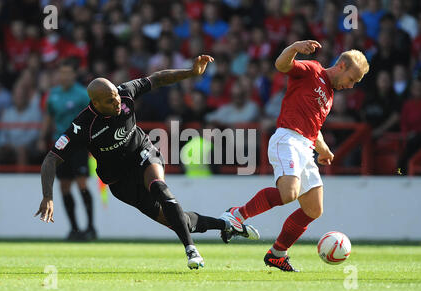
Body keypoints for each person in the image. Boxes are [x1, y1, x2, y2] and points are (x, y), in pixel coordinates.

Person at [34, 55, 260, 270]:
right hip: (120, 182)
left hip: (142, 153)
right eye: (110, 100)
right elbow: (51, 159)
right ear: (95, 103)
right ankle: (227, 223)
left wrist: (191, 72)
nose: (117, 102)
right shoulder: (83, 126)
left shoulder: (125, 93)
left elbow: (158, 78)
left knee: (159, 186)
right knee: (181, 221)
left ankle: (191, 250)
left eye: (116, 96)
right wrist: (47, 196)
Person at [219, 41, 369, 272]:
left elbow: (313, 125)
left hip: (306, 147)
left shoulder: (328, 95)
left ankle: (277, 254)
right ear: (341, 66)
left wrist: (323, 149)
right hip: (287, 139)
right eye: (352, 80)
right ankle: (236, 214)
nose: (350, 86)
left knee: (314, 209)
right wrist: (294, 47)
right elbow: (281, 65)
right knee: (288, 194)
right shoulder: (313, 71)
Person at [37, 59, 96, 241]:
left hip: (78, 145)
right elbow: (49, 117)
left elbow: (92, 117)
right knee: (64, 186)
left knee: (82, 184)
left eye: (67, 72)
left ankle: (90, 227)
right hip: (60, 145)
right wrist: (41, 137)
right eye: (61, 72)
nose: (64, 76)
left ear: (74, 74)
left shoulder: (82, 94)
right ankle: (74, 229)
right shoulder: (53, 95)